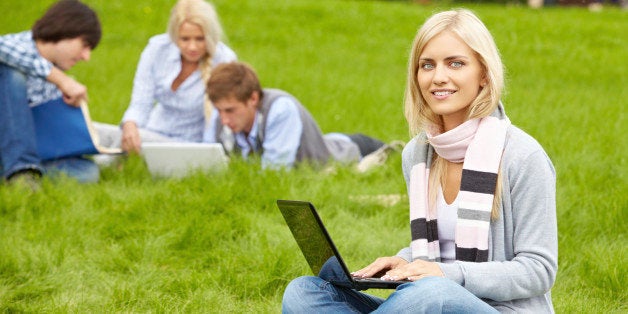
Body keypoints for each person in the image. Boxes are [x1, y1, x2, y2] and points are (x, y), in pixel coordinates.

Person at [282, 9, 557, 313]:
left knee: (431, 294)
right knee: (305, 292)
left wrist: (446, 277)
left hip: (499, 309)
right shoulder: (418, 154)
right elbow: (437, 250)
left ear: (483, 73)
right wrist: (404, 261)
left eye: (456, 63)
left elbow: (538, 269)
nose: (439, 77)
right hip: (434, 297)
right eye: (427, 65)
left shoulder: (522, 155)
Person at [94, 0, 237, 155]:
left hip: (190, 144)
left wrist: (211, 154)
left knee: (125, 139)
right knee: (94, 130)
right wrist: (130, 124)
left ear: (210, 36)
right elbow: (141, 102)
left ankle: (103, 167)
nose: (192, 47)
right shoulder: (157, 49)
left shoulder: (224, 60)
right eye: (185, 39)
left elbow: (220, 118)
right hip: (153, 131)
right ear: (175, 36)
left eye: (200, 39)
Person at [203, 61, 401, 170]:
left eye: (230, 110)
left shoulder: (279, 108)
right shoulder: (223, 117)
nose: (223, 119)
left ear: (253, 98)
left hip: (353, 150)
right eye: (219, 110)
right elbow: (206, 161)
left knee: (403, 161)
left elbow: (274, 172)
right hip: (329, 140)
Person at [0, 0, 102, 186]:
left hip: (22, 151)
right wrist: (61, 80)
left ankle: (19, 173)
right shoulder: (15, 47)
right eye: (85, 45)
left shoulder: (55, 76)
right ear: (65, 30)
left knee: (87, 171)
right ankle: (21, 171)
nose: (86, 57)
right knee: (12, 72)